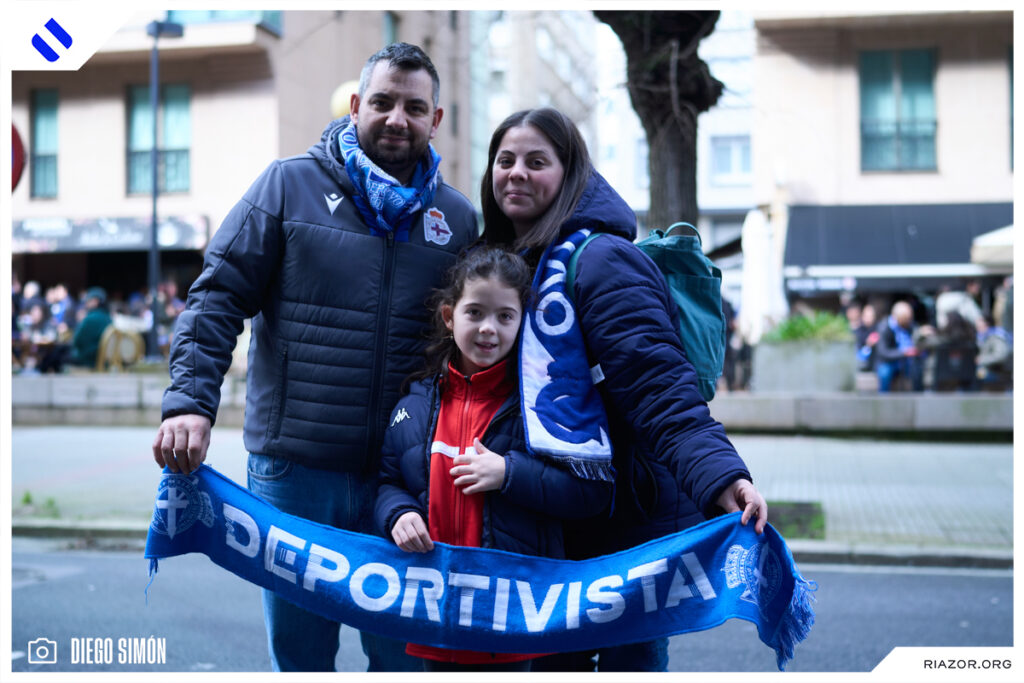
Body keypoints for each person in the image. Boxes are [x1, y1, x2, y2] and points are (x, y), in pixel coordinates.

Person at [151, 43, 478, 672]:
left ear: (435, 120)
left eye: (414, 107)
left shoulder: (457, 219)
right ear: (356, 106)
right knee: (301, 659)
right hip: (295, 473)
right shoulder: (287, 185)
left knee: (404, 660)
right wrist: (190, 402)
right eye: (382, 102)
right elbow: (217, 297)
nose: (397, 118)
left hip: (404, 481)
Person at [479, 108, 767, 672]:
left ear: (570, 173)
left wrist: (722, 477)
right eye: (505, 160)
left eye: (537, 161)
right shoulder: (498, 262)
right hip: (542, 519)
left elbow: (660, 388)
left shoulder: (603, 260)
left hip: (620, 524)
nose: (516, 173)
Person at [375, 246, 612, 671]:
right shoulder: (415, 403)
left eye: (505, 316)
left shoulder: (544, 406)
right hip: (436, 619)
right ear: (449, 316)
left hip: (512, 622)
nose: (488, 328)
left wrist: (509, 473)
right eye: (475, 313)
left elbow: (590, 494)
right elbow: (388, 481)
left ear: (523, 322)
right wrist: (397, 514)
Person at [874, 300, 924, 392]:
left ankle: (918, 395)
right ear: (896, 317)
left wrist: (922, 333)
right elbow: (883, 352)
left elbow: (917, 341)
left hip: (906, 362)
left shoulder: (910, 325)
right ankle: (883, 398)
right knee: (885, 373)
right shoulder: (884, 327)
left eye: (909, 319)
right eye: (905, 319)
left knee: (917, 369)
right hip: (888, 362)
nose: (908, 322)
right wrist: (904, 352)